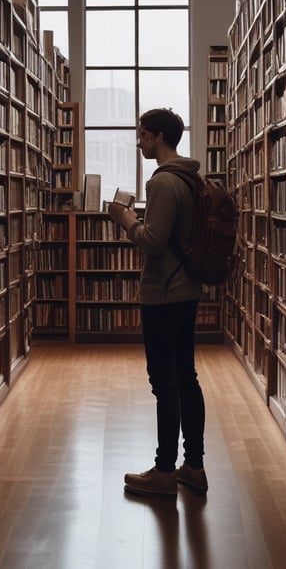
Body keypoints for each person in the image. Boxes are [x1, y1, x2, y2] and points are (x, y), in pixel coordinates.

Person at [108, 108, 208, 496]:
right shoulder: (191, 177)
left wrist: (125, 219)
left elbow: (153, 241)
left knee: (165, 381)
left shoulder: (164, 182)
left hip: (163, 294)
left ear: (160, 137)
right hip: (187, 291)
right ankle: (194, 465)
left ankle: (165, 470)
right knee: (186, 377)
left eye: (144, 135)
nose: (139, 141)